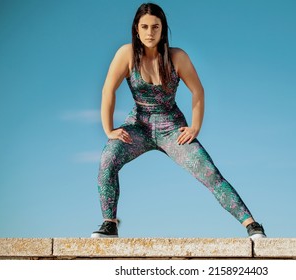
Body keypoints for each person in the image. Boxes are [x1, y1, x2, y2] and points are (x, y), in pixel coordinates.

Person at [91, 3, 266, 239]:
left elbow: (198, 91)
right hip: (138, 125)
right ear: (136, 29)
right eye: (144, 27)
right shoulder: (126, 54)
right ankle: (109, 223)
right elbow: (108, 91)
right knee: (108, 158)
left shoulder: (177, 56)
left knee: (209, 172)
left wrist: (195, 127)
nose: (150, 32)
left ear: (163, 29)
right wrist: (109, 129)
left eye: (155, 27)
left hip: (172, 128)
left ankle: (251, 224)